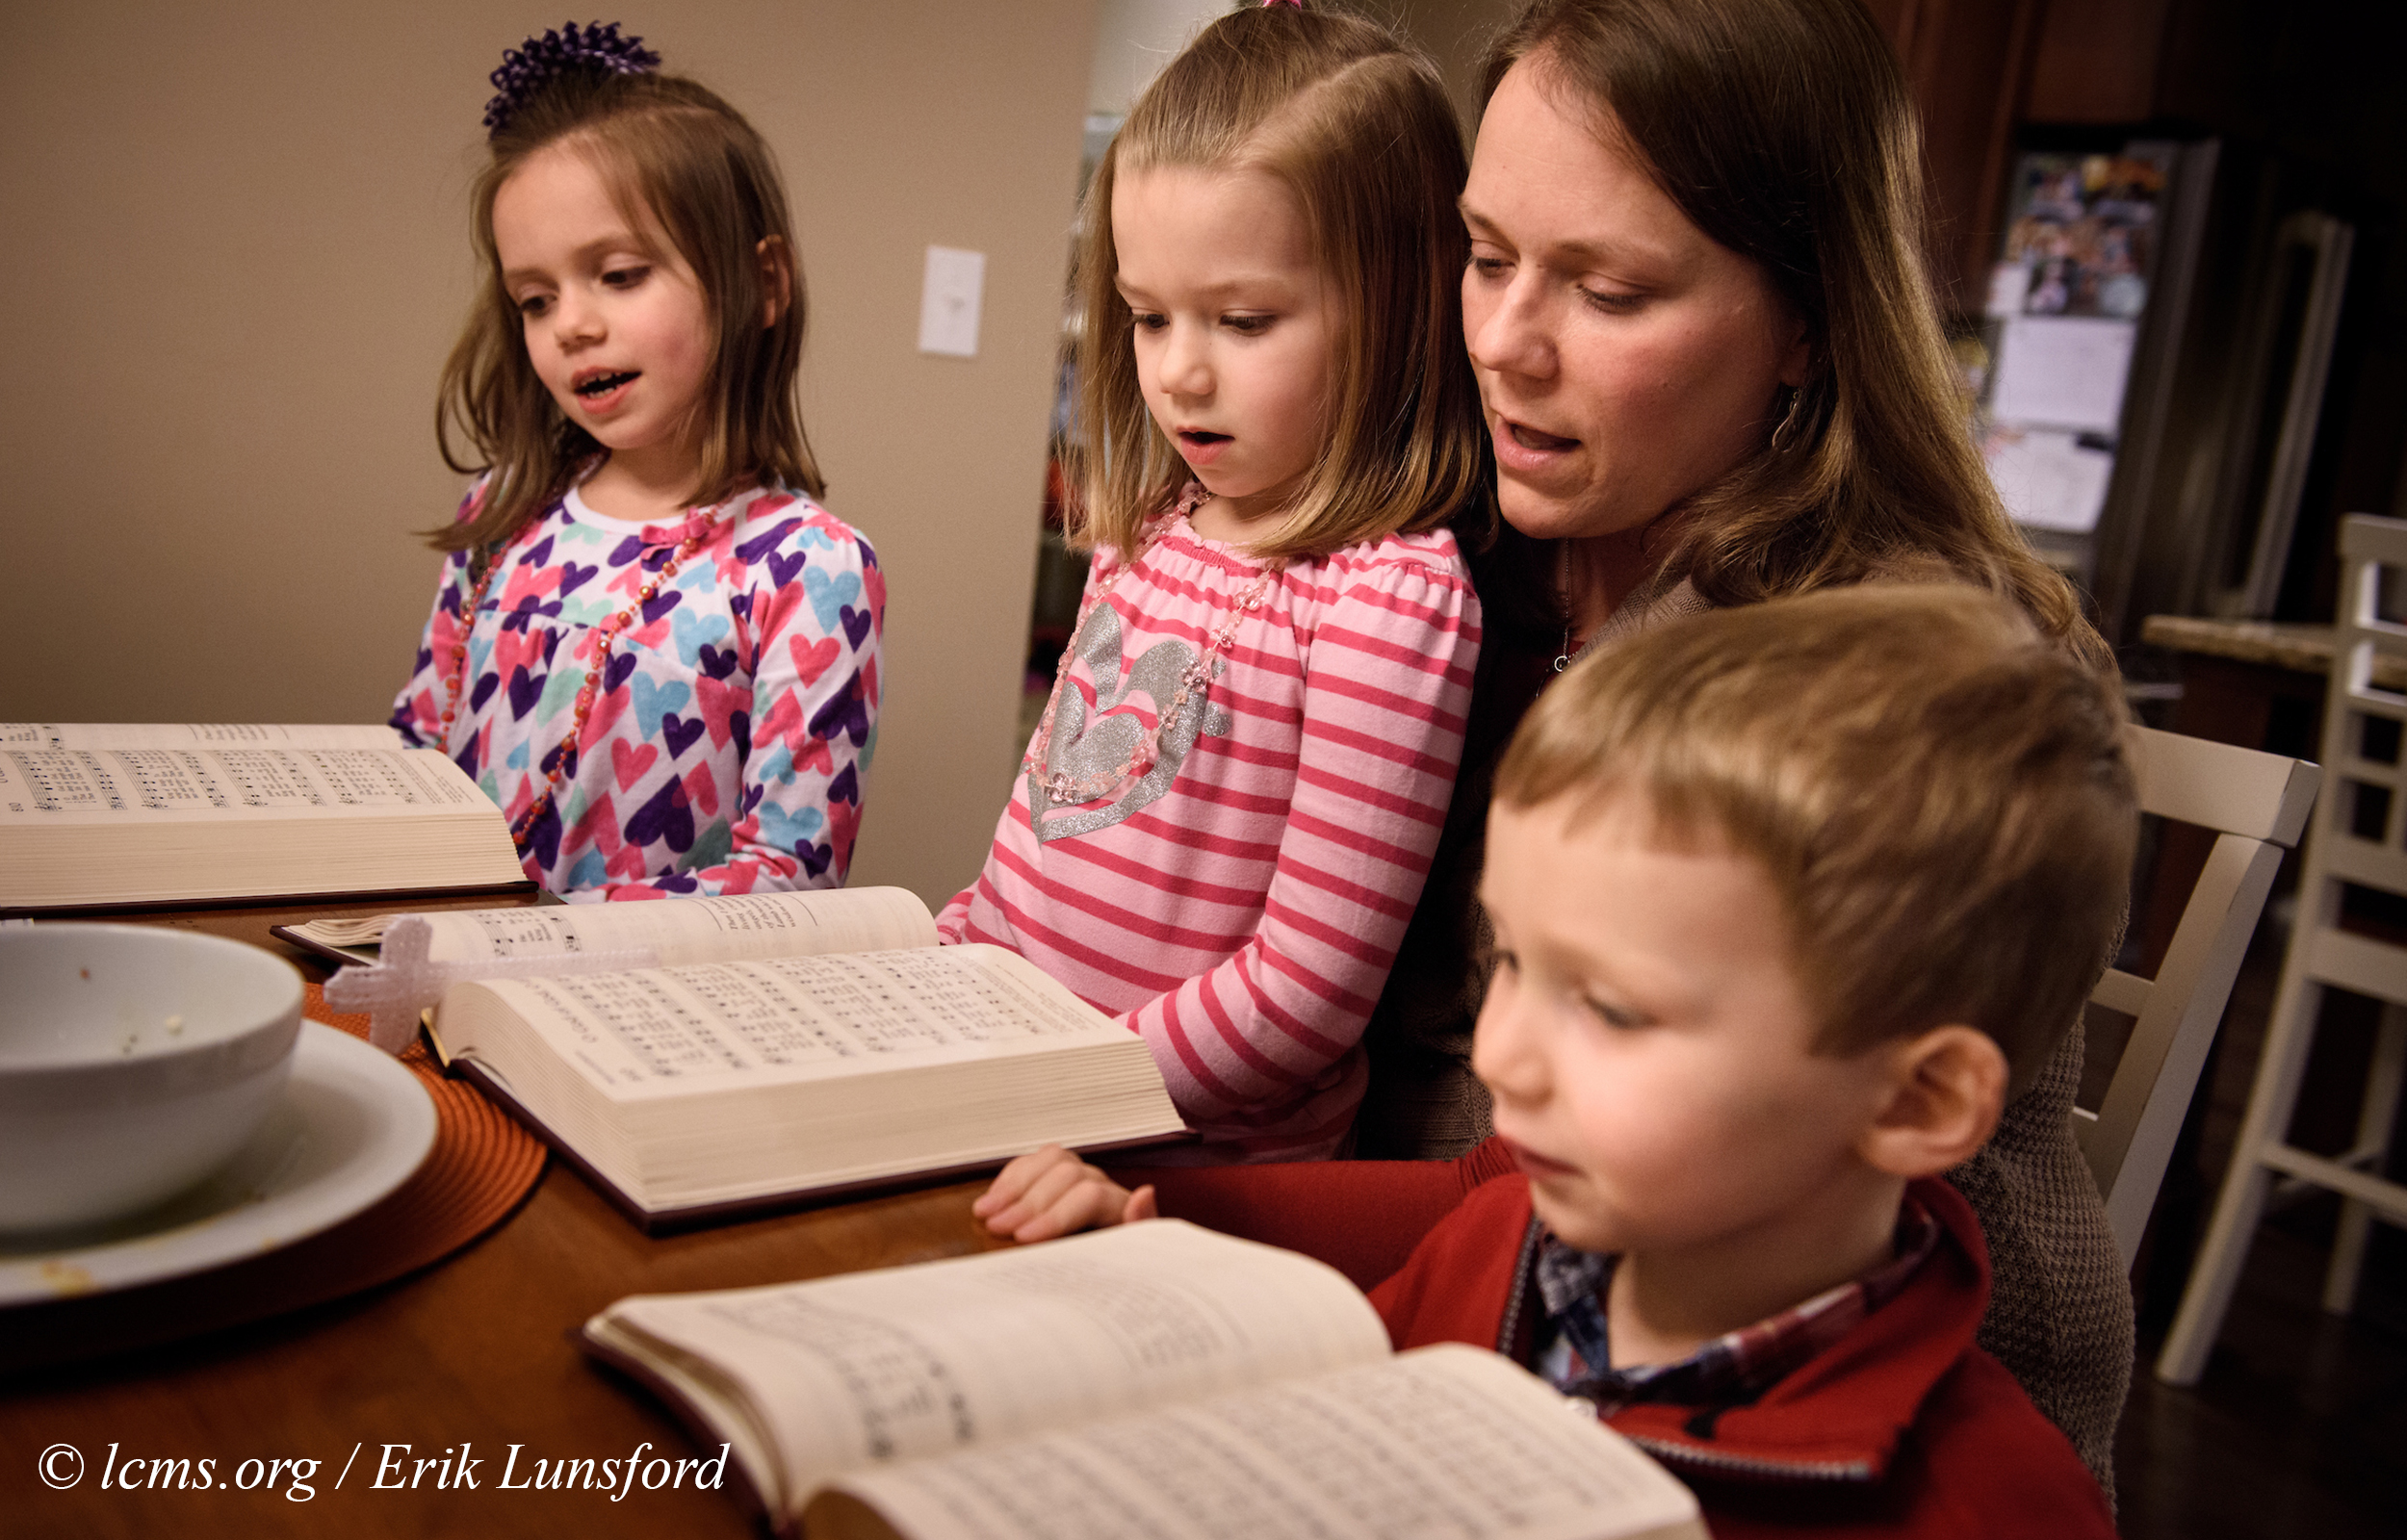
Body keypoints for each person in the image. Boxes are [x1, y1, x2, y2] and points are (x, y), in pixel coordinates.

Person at [1341, 0, 2133, 1488]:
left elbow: (1520, 1184)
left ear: (1809, 326)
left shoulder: (1894, 662)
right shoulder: (1470, 561)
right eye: (1488, 255)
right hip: (1491, 1302)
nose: (1505, 346)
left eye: (1613, 291)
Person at [977, 587, 2129, 1538]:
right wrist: (1154, 1229)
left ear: (1916, 1098)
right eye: (1515, 961)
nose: (1502, 1056)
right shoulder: (1499, 1249)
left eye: (1615, 1011)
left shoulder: (1992, 1504)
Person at [937, 2, 1486, 1162]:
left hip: (1181, 1163)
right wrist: (951, 952)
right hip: (1014, 1091)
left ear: (1399, 307)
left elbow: (1304, 992)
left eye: (1242, 320)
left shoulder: (1387, 599)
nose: (1178, 373)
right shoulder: (1147, 526)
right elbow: (1046, 812)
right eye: (1147, 316)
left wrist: (1068, 1089)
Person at [389, 23, 882, 901]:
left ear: (763, 284)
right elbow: (416, 746)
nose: (571, 323)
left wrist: (543, 938)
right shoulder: (498, 512)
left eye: (617, 274)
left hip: (634, 1020)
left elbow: (785, 877)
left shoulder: (810, 569)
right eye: (536, 299)